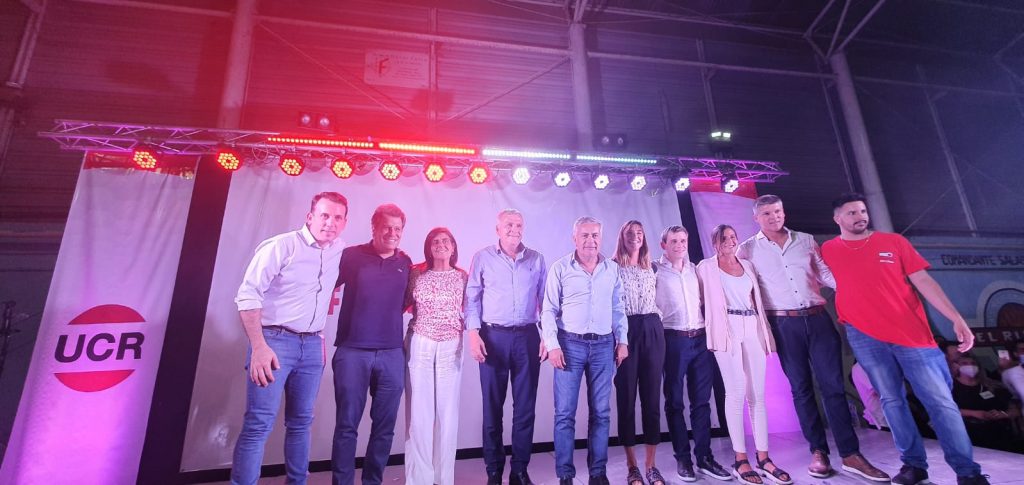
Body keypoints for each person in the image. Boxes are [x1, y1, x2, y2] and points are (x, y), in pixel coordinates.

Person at [822, 192, 990, 485]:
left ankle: (967, 472)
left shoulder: (894, 242)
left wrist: (956, 317)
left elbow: (923, 280)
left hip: (911, 335)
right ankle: (913, 465)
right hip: (865, 337)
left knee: (940, 402)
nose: (860, 216)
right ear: (837, 218)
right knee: (892, 401)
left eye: (863, 211)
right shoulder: (828, 250)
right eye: (852, 212)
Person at [737, 195, 887, 481]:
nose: (774, 217)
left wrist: (856, 290)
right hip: (783, 323)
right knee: (801, 389)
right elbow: (745, 288)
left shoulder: (805, 240)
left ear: (784, 212)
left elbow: (826, 273)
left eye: (777, 211)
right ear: (756, 218)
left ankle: (851, 454)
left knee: (833, 386)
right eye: (767, 213)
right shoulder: (747, 249)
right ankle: (818, 452)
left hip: (818, 319)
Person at [232, 192, 349, 485]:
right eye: (324, 215)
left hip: (312, 345)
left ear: (344, 223)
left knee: (301, 424)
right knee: (258, 424)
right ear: (310, 217)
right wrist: (259, 347)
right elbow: (247, 296)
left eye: (337, 218)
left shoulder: (339, 249)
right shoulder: (281, 246)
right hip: (274, 342)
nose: (330, 223)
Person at [696, 224, 790, 485]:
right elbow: (698, 298)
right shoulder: (705, 267)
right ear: (715, 242)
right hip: (726, 328)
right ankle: (740, 460)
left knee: (757, 395)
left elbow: (756, 298)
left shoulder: (747, 266)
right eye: (724, 238)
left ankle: (764, 458)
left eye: (733, 237)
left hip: (752, 325)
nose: (730, 241)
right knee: (735, 392)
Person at [542, 216, 628, 485]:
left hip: (603, 346)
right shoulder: (560, 268)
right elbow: (548, 309)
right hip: (569, 345)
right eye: (585, 235)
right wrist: (553, 345)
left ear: (600, 238)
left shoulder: (612, 269)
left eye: (595, 235)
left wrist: (622, 340)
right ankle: (565, 475)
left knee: (601, 413)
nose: (590, 240)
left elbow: (618, 307)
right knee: (564, 414)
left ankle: (598, 474)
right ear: (574, 238)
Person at [331, 204, 412, 485]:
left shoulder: (405, 263)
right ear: (374, 227)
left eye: (397, 228)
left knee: (384, 428)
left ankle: (372, 482)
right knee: (346, 426)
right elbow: (322, 286)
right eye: (387, 227)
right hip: (352, 351)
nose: (392, 233)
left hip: (391, 354)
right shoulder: (351, 256)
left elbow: (409, 301)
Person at [464, 209, 547, 485]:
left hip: (527, 337)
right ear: (497, 229)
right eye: (509, 224)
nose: (514, 229)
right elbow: (472, 299)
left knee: (525, 408)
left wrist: (548, 336)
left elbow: (546, 301)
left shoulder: (536, 259)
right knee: (493, 408)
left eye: (519, 225)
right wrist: (473, 334)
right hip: (493, 337)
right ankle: (494, 471)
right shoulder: (483, 258)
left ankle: (520, 471)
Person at [653, 226, 731, 482]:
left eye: (683, 240)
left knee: (702, 403)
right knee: (675, 402)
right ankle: (683, 459)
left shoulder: (695, 270)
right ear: (664, 245)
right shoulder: (655, 270)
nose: (680, 245)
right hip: (672, 340)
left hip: (699, 339)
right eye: (674, 241)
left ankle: (705, 457)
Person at [403, 227, 468, 485]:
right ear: (428, 248)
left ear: (453, 247)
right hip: (420, 343)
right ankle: (419, 479)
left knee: (447, 415)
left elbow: (471, 310)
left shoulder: (463, 276)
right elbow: (401, 304)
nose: (441, 245)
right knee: (419, 415)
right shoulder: (416, 274)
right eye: (435, 242)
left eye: (446, 241)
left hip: (451, 346)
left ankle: (443, 479)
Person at [612, 221, 667, 485]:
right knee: (626, 399)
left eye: (639, 233)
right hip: (626, 332)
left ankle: (651, 465)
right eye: (630, 233)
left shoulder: (652, 267)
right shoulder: (612, 267)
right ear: (622, 237)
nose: (635, 236)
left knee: (651, 399)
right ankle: (632, 465)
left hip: (652, 329)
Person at [951, 353, 1021, 452]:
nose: (970, 366)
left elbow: (1015, 409)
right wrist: (975, 413)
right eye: (964, 363)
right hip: (968, 435)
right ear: (956, 366)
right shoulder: (950, 387)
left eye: (973, 363)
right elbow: (944, 409)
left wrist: (1003, 414)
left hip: (1000, 434)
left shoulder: (992, 385)